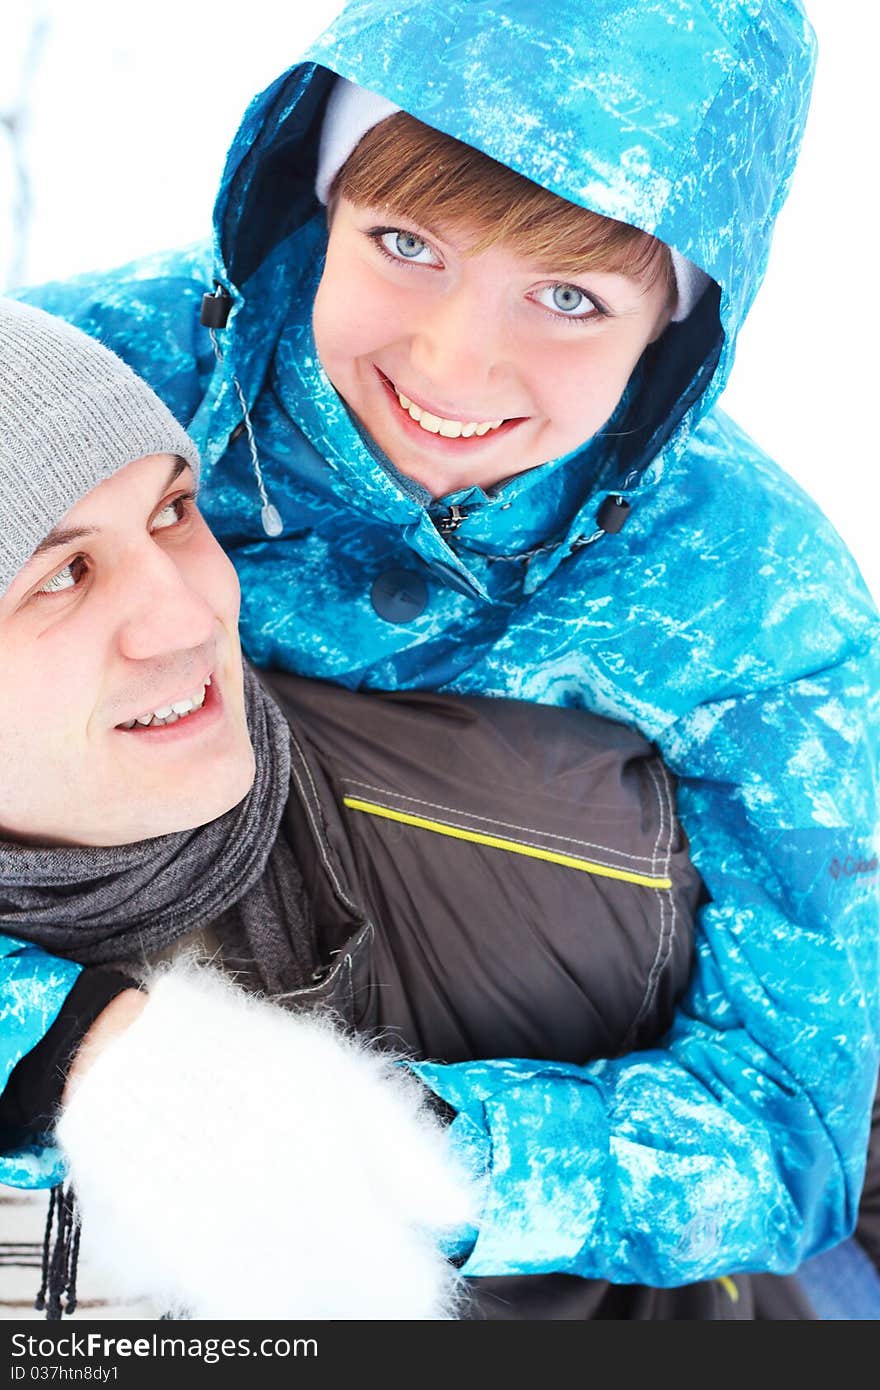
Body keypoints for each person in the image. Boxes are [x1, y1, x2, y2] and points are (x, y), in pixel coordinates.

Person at [6, 0, 880, 1307]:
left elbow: (788, 1127)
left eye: (570, 296)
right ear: (320, 193)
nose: (454, 361)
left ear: (676, 328)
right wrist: (86, 1050)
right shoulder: (92, 385)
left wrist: (409, 1154)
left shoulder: (762, 610)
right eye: (408, 243)